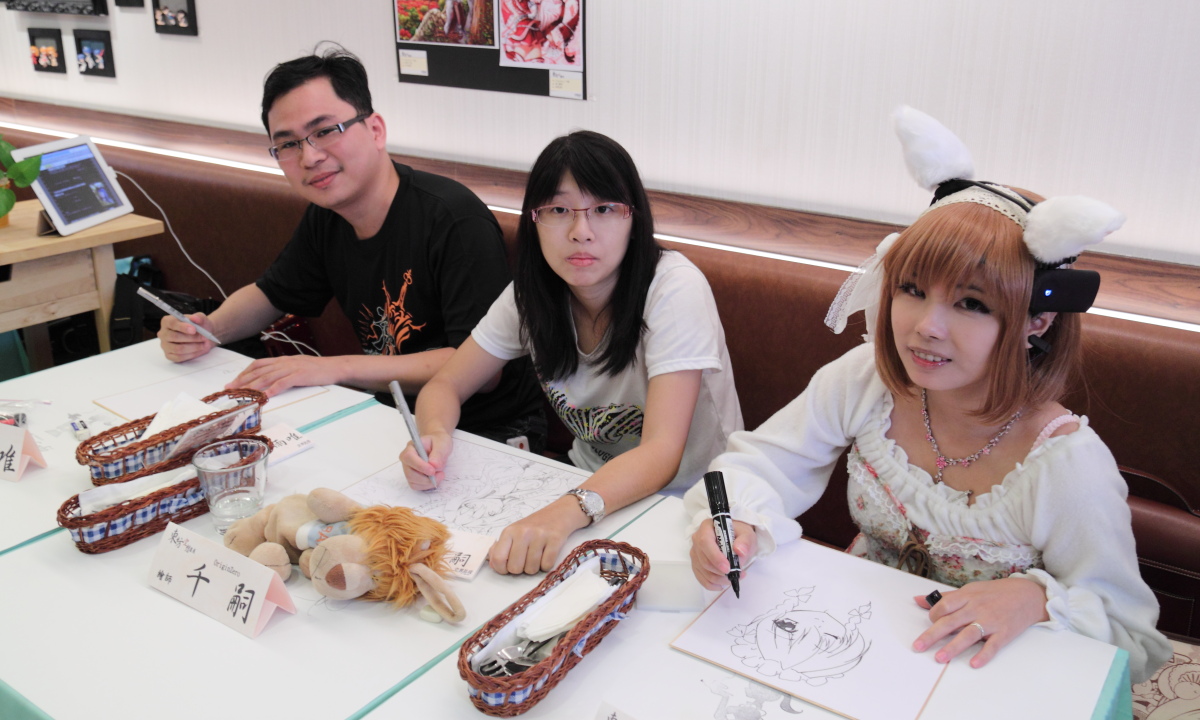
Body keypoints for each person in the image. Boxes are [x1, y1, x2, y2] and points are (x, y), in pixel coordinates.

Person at [687, 106, 1171, 685]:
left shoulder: (1067, 465)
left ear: (1036, 322)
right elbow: (759, 464)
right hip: (849, 647)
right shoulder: (867, 377)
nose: (925, 327)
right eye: (912, 290)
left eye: (970, 303)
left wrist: (1037, 599)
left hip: (981, 681)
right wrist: (731, 523)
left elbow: (1133, 637)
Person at [157, 46, 544, 446]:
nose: (309, 157)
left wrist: (333, 368)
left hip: (488, 431)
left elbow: (479, 369)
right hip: (388, 416)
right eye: (288, 144)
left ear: (375, 130)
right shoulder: (327, 216)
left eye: (325, 131)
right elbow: (271, 294)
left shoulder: (453, 218)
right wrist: (208, 329)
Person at [402, 130, 743, 575]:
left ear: (633, 218)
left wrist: (563, 513)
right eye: (559, 210)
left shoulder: (674, 289)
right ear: (534, 220)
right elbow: (446, 383)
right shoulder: (531, 295)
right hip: (585, 487)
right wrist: (434, 437)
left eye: (604, 209)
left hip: (691, 505)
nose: (581, 232)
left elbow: (662, 452)